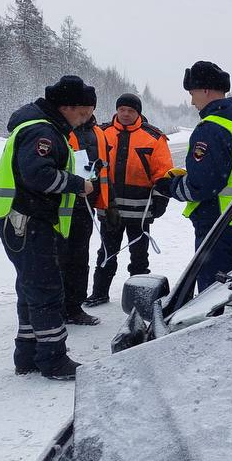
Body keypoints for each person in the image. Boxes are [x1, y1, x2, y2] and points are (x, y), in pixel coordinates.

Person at [0, 75, 96, 380]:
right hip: (28, 221)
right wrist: (78, 184)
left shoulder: (43, 126)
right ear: (67, 107)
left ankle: (27, 354)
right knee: (46, 289)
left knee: (31, 289)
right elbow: (38, 175)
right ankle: (53, 359)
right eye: (82, 114)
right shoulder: (42, 131)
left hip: (25, 221)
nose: (83, 121)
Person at [154, 61, 232, 292]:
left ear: (205, 90)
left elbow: (201, 185)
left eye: (192, 94)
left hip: (218, 220)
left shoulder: (211, 129)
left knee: (212, 292)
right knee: (231, 288)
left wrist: (170, 186)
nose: (192, 102)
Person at [84, 92, 173, 306]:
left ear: (138, 113)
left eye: (130, 110)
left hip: (140, 211)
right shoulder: (101, 133)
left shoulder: (154, 137)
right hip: (109, 207)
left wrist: (161, 199)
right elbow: (89, 167)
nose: (125, 114)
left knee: (139, 256)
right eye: (122, 109)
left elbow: (164, 172)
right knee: (106, 253)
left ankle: (139, 298)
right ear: (116, 110)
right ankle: (99, 292)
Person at [58, 107, 109, 325]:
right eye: (81, 107)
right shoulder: (59, 130)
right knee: (57, 259)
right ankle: (53, 308)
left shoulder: (99, 133)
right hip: (59, 206)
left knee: (79, 259)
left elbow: (105, 170)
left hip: (85, 207)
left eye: (89, 108)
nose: (85, 112)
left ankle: (73, 307)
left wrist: (106, 202)